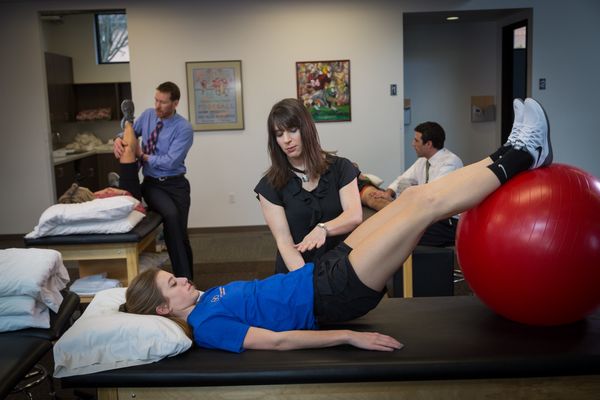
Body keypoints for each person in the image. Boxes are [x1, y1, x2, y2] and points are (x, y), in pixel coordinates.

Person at [121, 98, 552, 353]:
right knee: (423, 207)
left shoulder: (204, 302)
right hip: (329, 295)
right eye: (171, 285)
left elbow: (352, 215)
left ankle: (511, 153)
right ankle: (522, 155)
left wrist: (326, 234)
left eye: (291, 131)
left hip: (323, 275)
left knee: (411, 201)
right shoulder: (207, 325)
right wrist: (348, 336)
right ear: (163, 310)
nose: (180, 277)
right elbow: (278, 342)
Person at [254, 98, 363, 274]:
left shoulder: (341, 168)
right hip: (297, 271)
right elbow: (284, 241)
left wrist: (323, 229)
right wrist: (307, 282)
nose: (287, 140)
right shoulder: (269, 185)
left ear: (307, 129)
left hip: (340, 267)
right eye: (279, 134)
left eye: (293, 130)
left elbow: (354, 215)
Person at [113, 82, 194, 280]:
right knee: (171, 216)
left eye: (163, 102)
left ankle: (188, 279)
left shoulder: (184, 128)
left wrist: (143, 155)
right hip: (152, 184)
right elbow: (130, 136)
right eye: (156, 100)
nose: (157, 106)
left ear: (175, 103)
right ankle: (184, 278)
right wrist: (117, 138)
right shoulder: (148, 115)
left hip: (176, 185)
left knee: (180, 235)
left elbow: (170, 161)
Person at [372, 121, 463, 246]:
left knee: (401, 232)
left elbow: (431, 193)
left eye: (416, 141)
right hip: (430, 216)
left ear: (429, 144)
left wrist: (404, 199)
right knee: (390, 226)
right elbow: (403, 179)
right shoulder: (422, 161)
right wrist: (388, 193)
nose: (412, 144)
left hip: (447, 222)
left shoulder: (450, 162)